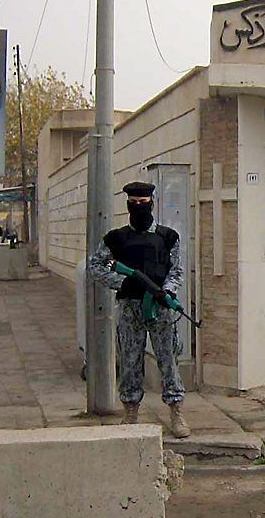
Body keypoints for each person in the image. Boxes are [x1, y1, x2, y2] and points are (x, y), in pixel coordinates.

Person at [86, 181, 190, 437]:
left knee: (169, 361)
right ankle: (130, 412)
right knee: (130, 361)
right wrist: (123, 281)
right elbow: (95, 266)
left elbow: (176, 270)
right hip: (130, 308)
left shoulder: (168, 237)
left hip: (160, 307)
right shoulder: (116, 238)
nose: (139, 207)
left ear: (152, 203)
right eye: (134, 203)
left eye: (143, 203)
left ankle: (176, 411)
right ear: (128, 204)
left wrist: (167, 291)